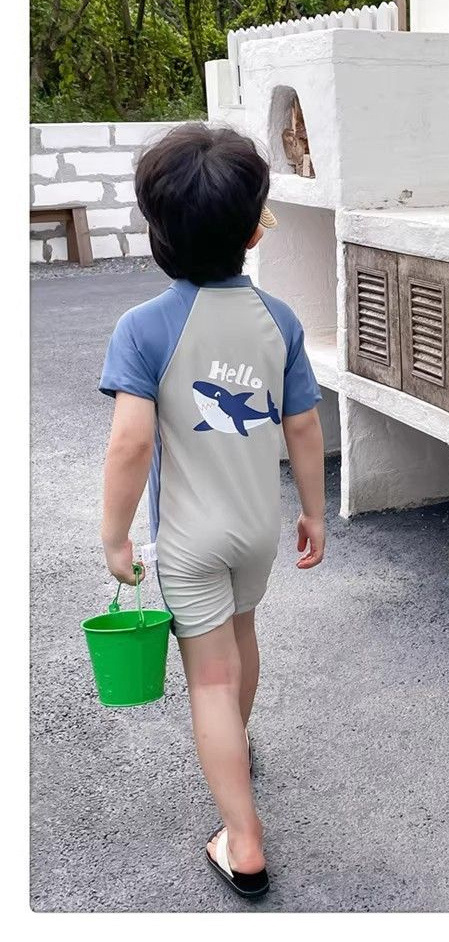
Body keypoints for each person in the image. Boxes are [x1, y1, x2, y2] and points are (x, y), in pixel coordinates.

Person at [99, 122, 325, 902]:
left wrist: (115, 535)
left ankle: (244, 838)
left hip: (190, 539)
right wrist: (316, 512)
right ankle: (237, 743)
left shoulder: (144, 327)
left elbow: (131, 443)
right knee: (242, 638)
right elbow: (304, 426)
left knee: (210, 678)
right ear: (253, 229)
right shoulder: (279, 318)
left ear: (158, 234)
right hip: (258, 527)